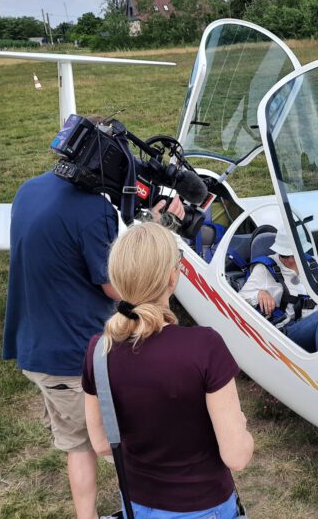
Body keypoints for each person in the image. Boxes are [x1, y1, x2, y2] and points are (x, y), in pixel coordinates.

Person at [3, 141, 184, 519]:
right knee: (113, 443)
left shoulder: (29, 189)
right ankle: (136, 511)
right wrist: (157, 230)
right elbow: (119, 288)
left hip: (36, 342)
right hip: (73, 355)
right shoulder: (92, 210)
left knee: (77, 445)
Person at [83, 221, 253, 518]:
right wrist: (242, 427)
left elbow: (100, 444)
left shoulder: (99, 350)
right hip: (204, 506)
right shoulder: (205, 346)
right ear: (172, 278)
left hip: (137, 504)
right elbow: (237, 457)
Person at [238, 227, 318, 352]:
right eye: (285, 255)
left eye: (295, 254)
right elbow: (240, 297)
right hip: (287, 335)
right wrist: (259, 293)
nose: (290, 260)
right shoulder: (265, 268)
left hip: (317, 329)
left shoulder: (312, 264)